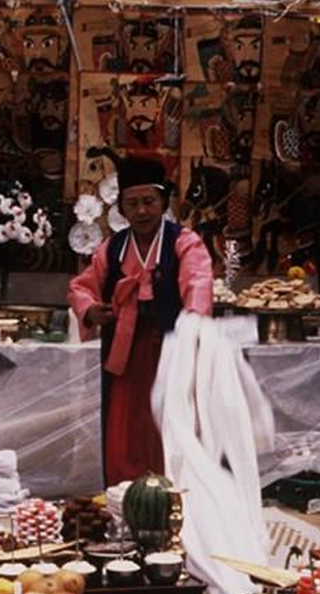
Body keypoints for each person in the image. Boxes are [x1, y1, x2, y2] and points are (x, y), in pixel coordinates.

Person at [68, 156, 213, 487]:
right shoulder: (112, 248)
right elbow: (81, 286)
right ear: (121, 209)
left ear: (163, 202)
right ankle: (125, 493)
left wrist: (192, 322)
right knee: (124, 424)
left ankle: (173, 493)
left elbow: (199, 284)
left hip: (170, 349)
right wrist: (91, 310)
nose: (142, 211)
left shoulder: (183, 242)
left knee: (170, 420)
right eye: (132, 204)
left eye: (149, 201)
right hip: (125, 354)